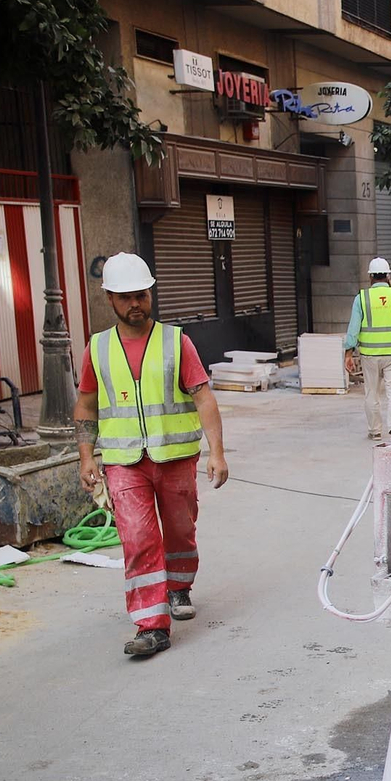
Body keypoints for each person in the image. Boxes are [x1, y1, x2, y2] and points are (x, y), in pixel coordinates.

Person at [74, 252, 228, 658]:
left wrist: (217, 453)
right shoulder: (98, 348)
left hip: (175, 457)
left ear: (151, 293)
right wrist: (86, 456)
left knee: (180, 530)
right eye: (125, 297)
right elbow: (86, 405)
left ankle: (178, 587)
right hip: (124, 463)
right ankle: (151, 624)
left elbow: (204, 398)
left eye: (141, 295)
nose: (135, 304)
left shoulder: (177, 342)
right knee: (139, 539)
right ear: (110, 299)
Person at [343, 257, 391, 441]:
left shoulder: (362, 298)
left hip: (370, 355)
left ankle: (375, 431)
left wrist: (348, 353)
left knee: (371, 392)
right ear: (388, 276)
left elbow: (353, 329)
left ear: (370, 277)